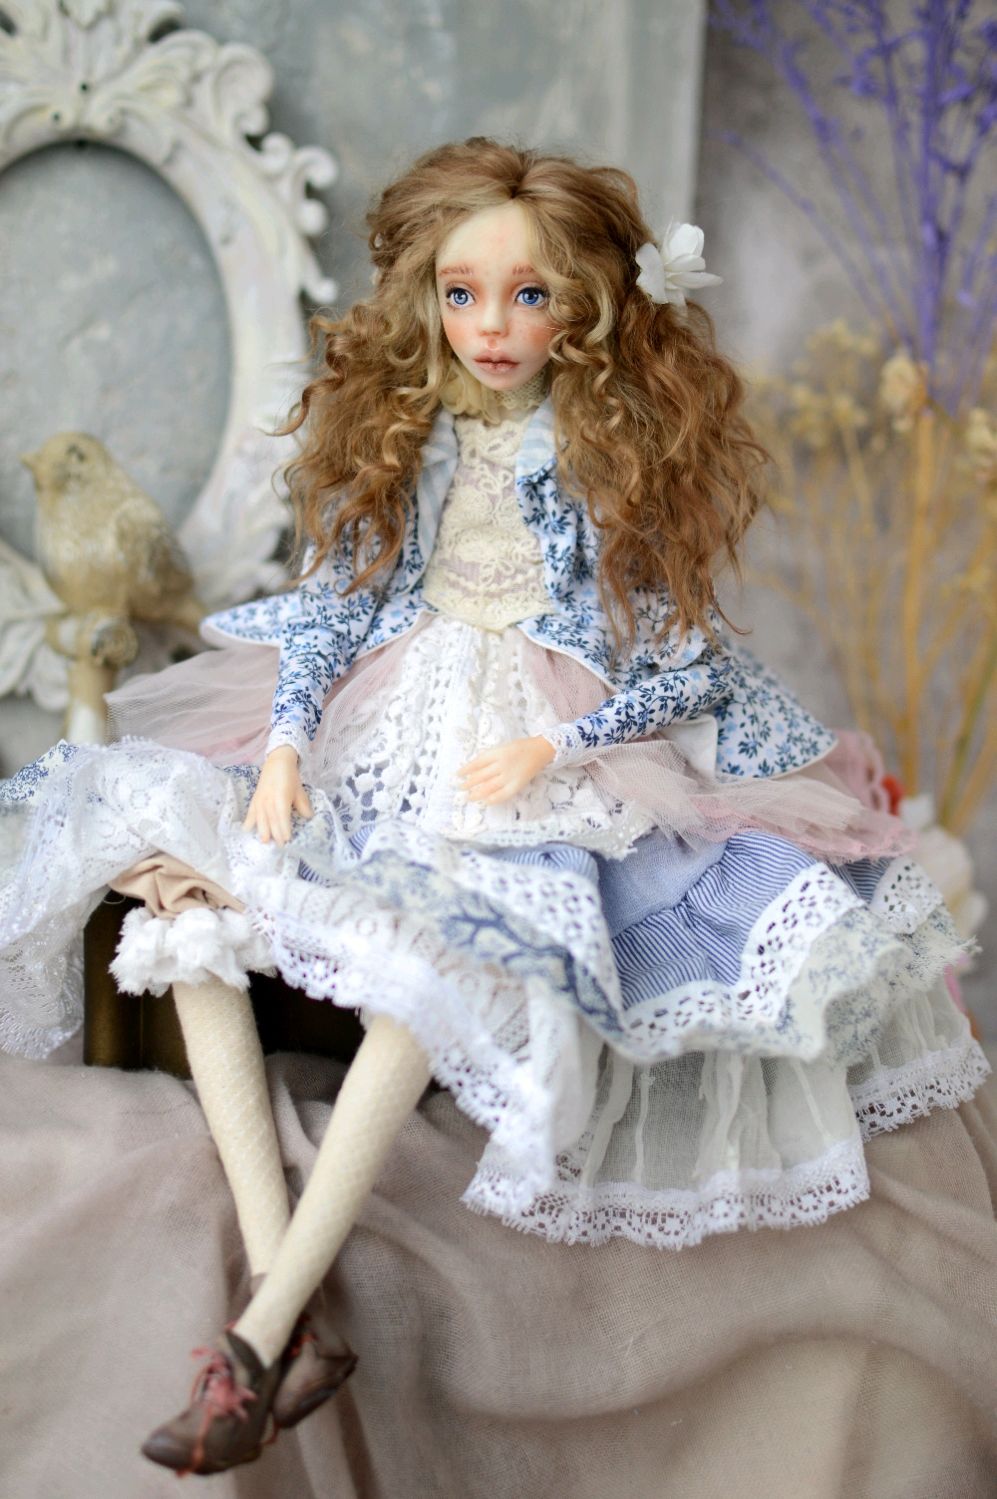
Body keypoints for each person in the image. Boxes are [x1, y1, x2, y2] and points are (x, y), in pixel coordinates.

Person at [0, 137, 988, 1477]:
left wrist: (557, 745)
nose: (493, 326)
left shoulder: (602, 450)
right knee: (188, 901)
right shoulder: (411, 430)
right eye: (463, 295)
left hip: (530, 738)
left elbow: (683, 665)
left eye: (529, 296)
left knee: (437, 961)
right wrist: (286, 742)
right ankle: (281, 1308)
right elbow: (341, 602)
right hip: (382, 721)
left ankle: (261, 1334)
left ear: (586, 305)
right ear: (425, 298)